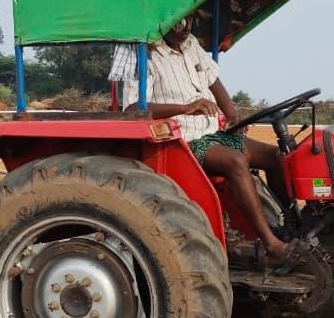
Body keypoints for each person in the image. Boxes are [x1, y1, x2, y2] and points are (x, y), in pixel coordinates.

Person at [114, 16, 299, 267]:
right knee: (235, 162)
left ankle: (292, 226)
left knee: (278, 157)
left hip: (215, 132)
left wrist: (233, 115)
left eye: (189, 21)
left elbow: (215, 82)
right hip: (185, 140)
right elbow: (133, 107)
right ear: (162, 21)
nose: (185, 28)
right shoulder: (146, 55)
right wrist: (186, 107)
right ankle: (271, 243)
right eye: (178, 23)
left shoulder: (190, 45)